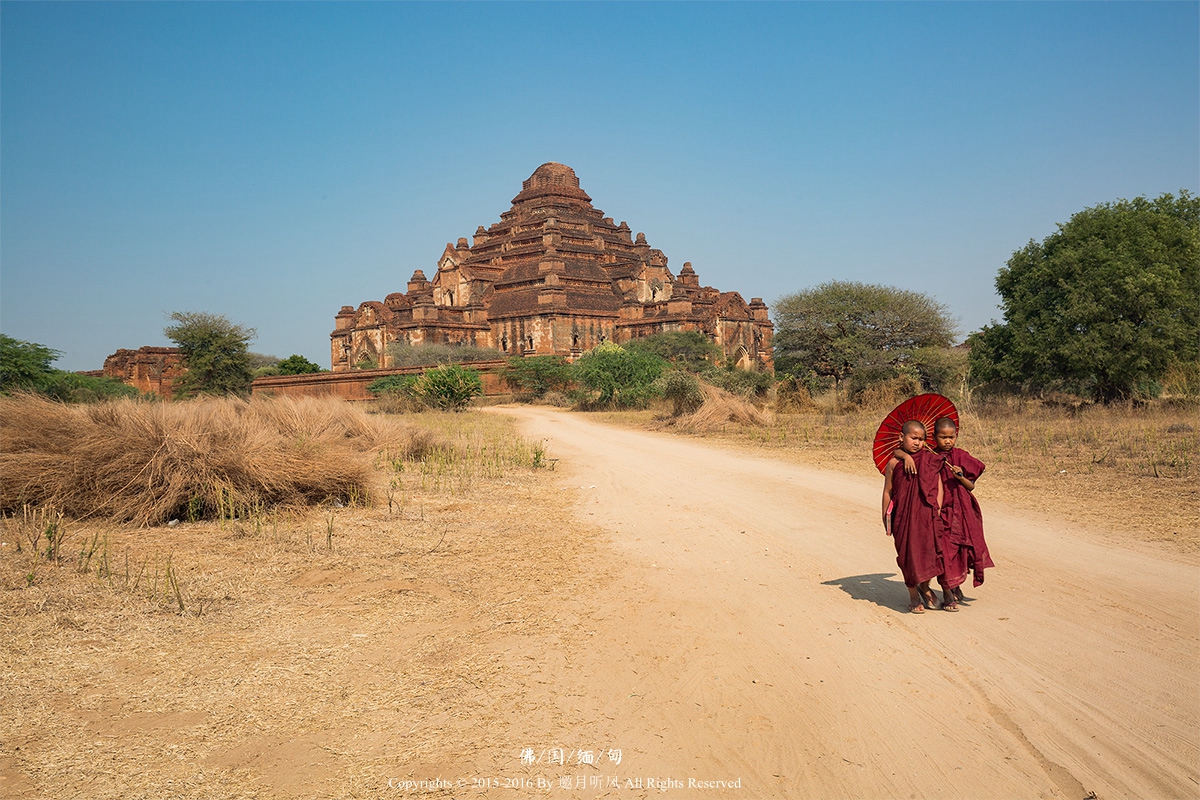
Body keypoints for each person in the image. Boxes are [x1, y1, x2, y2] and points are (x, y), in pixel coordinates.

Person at [895, 417, 994, 608]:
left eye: (951, 437)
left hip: (960, 511)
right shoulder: (929, 454)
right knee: (943, 552)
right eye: (943, 437)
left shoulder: (960, 456)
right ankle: (947, 591)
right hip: (938, 511)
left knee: (959, 551)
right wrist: (905, 456)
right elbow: (899, 451)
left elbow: (970, 486)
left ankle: (954, 585)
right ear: (934, 437)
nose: (947, 441)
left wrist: (960, 476)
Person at [881, 420, 944, 613]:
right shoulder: (893, 464)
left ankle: (924, 586)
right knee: (908, 556)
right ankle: (913, 595)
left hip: (927, 516)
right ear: (902, 438)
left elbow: (938, 486)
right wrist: (885, 516)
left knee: (928, 554)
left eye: (922, 439)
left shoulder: (930, 460)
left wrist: (938, 508)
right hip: (904, 518)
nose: (918, 443)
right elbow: (887, 491)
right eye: (913, 438)